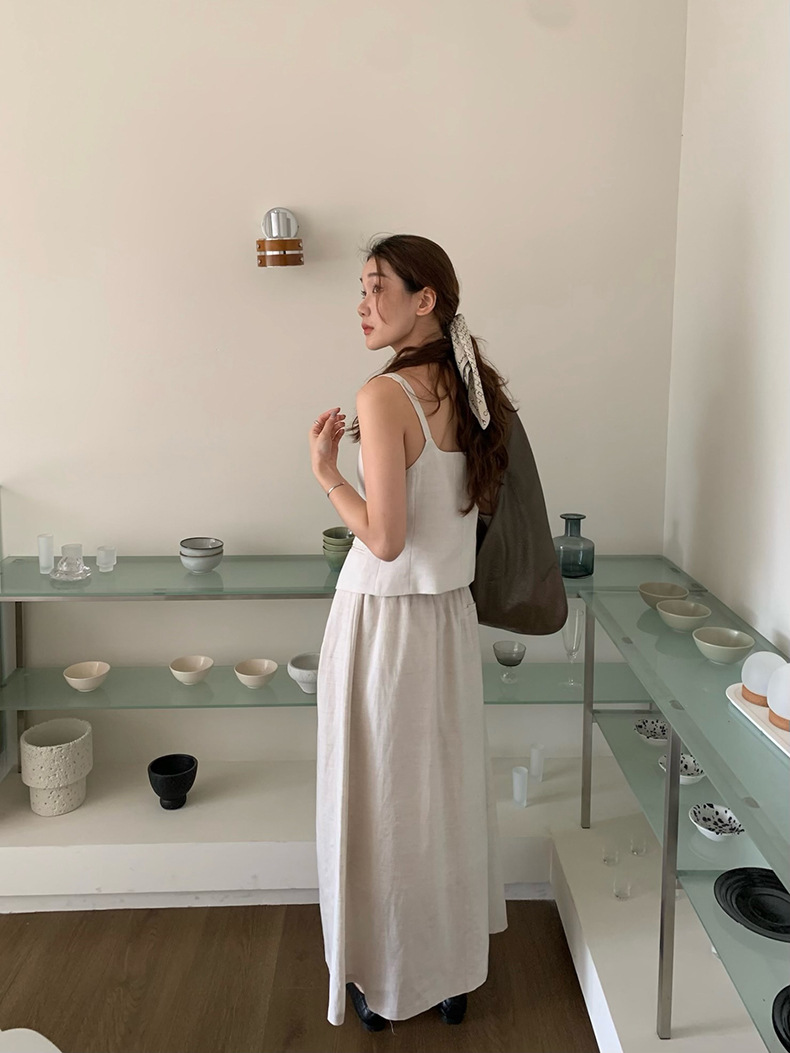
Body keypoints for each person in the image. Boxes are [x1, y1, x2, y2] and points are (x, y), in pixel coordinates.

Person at [308, 234, 510, 1031]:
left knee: (379, 804)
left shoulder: (382, 395)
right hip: (447, 622)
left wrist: (328, 473)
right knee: (442, 801)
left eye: (377, 287)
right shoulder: (469, 388)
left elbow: (385, 538)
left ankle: (387, 980)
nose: (363, 304)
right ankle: (451, 971)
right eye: (361, 289)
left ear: (425, 299)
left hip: (384, 625)